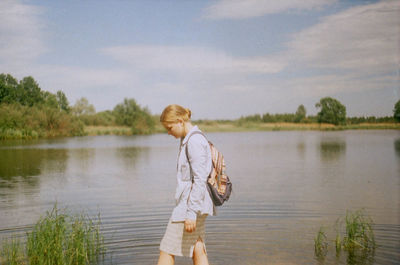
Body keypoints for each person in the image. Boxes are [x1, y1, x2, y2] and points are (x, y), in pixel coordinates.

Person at [157, 104, 216, 265]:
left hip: (191, 205)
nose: (169, 133)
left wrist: (190, 213)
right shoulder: (191, 138)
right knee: (197, 246)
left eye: (169, 128)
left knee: (167, 248)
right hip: (198, 204)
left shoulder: (194, 141)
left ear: (180, 121)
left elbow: (199, 179)